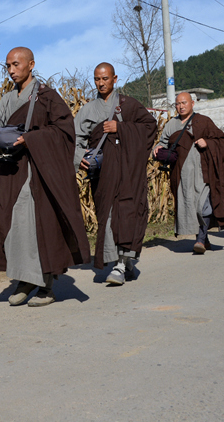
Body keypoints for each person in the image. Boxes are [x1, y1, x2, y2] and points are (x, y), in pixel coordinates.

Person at [0, 47, 90, 306]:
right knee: (12, 225)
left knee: (37, 225)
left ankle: (46, 285)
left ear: (31, 65)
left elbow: (64, 132)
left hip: (39, 173)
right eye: (8, 66)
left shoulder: (47, 97)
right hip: (12, 170)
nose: (11, 70)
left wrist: (31, 139)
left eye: (16, 64)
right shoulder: (7, 99)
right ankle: (25, 279)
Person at [74, 63, 156, 284]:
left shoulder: (129, 105)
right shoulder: (88, 110)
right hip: (103, 173)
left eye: (105, 78)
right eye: (97, 79)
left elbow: (150, 127)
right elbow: (74, 138)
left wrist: (121, 128)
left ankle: (119, 265)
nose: (101, 83)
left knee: (127, 213)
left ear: (114, 79)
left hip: (129, 172)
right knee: (108, 215)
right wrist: (79, 157)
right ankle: (125, 262)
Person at [153, 92, 224, 254]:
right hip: (181, 175)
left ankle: (200, 240)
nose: (181, 106)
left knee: (202, 206)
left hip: (202, 173)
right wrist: (158, 148)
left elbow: (222, 141)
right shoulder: (171, 125)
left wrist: (207, 142)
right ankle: (204, 239)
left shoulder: (203, 121)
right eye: (178, 104)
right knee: (190, 207)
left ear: (192, 103)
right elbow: (162, 142)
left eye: (184, 103)